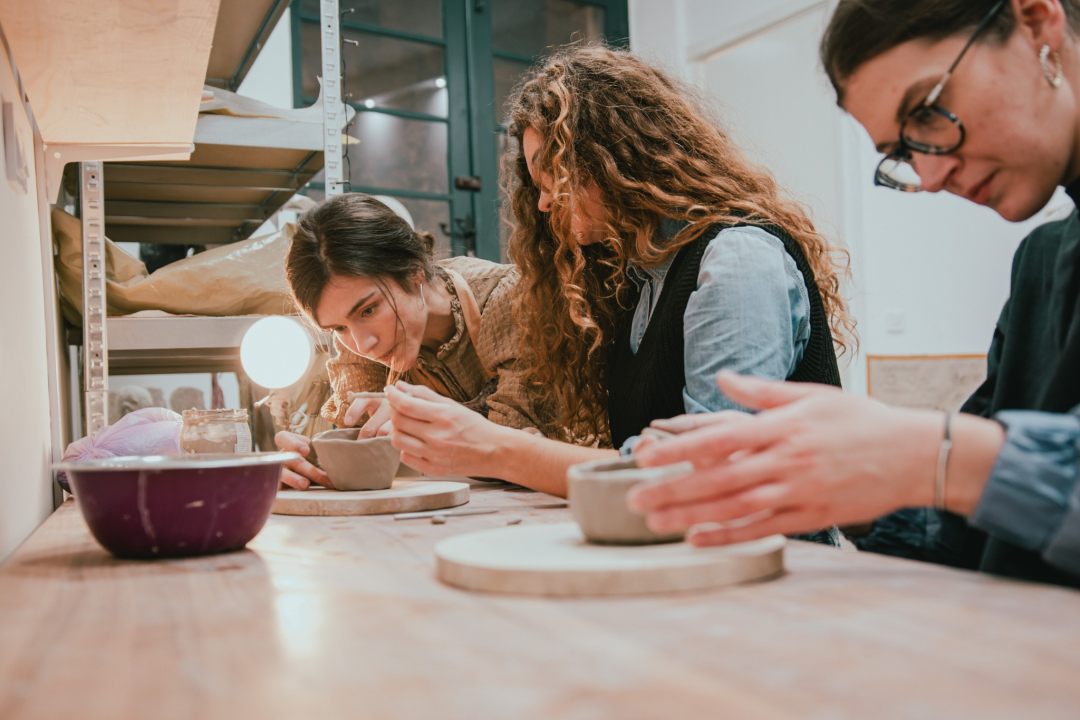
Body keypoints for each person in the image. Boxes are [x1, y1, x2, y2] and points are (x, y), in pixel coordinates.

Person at [629, 0, 1080, 587]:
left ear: (1037, 20)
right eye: (902, 153)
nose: (932, 177)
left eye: (928, 111)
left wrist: (928, 455)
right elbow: (982, 532)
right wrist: (857, 489)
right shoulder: (1043, 260)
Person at [383, 44, 854, 505]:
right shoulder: (635, 280)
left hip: (779, 551)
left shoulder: (736, 260)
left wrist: (500, 450)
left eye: (553, 174)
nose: (543, 202)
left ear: (619, 156)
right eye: (536, 184)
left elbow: (714, 476)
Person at [274, 192, 550, 489]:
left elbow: (513, 445)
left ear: (415, 272)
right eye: (338, 328)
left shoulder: (508, 298)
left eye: (369, 310)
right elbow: (363, 452)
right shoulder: (356, 343)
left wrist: (417, 420)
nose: (363, 345)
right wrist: (312, 462)